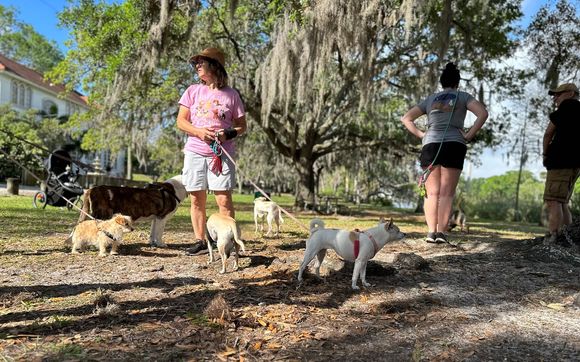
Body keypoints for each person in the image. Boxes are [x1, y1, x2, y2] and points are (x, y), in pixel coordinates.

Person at [401, 62, 488, 244]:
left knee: (431, 193)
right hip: (454, 144)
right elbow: (482, 113)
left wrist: (422, 135)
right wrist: (469, 135)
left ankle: (431, 233)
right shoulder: (463, 96)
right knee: (447, 193)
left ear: (442, 82)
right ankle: (441, 233)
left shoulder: (431, 99)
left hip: (431, 145)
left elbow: (406, 118)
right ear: (457, 82)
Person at [176, 47, 247, 255]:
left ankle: (229, 241)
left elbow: (242, 126)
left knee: (223, 199)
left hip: (221, 153)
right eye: (195, 63)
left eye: (201, 62)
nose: (197, 66)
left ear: (214, 65)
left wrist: (227, 134)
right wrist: (198, 131)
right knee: (197, 198)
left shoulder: (231, 95)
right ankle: (201, 240)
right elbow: (181, 121)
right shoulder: (192, 91)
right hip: (195, 151)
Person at [542, 83, 580, 243]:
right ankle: (568, 236)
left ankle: (554, 235)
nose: (555, 98)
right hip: (575, 164)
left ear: (571, 93)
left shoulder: (564, 111)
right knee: (562, 201)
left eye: (558, 94)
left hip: (560, 161)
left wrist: (545, 154)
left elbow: (548, 133)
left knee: (553, 200)